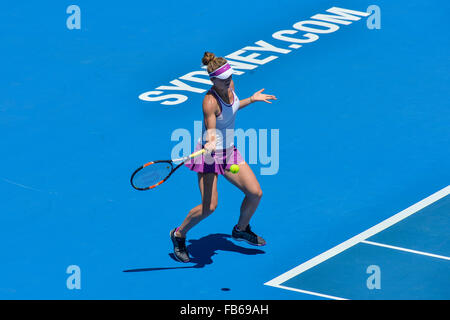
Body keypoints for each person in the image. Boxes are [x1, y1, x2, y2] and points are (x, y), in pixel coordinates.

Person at [170, 52, 277, 262]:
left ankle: (241, 229)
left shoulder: (230, 86)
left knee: (255, 193)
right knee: (209, 207)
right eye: (224, 79)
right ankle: (179, 234)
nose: (228, 81)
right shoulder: (209, 101)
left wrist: (252, 100)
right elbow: (211, 128)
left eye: (230, 77)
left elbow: (233, 108)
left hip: (229, 152)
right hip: (210, 156)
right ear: (212, 80)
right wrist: (210, 141)